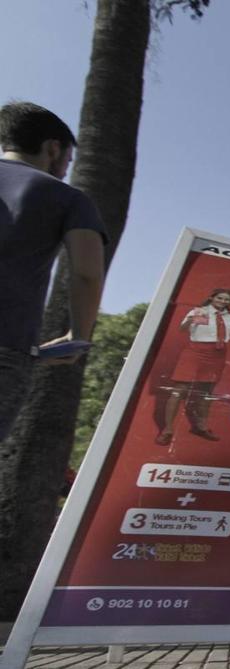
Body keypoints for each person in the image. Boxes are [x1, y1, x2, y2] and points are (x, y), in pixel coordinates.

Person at [0, 101, 106, 440]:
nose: (64, 171)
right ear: (53, 148)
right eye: (67, 163)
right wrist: (78, 335)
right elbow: (87, 273)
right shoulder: (66, 198)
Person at [156, 288, 230, 445]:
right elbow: (183, 329)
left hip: (217, 355)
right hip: (195, 352)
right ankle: (167, 430)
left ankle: (200, 427)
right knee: (179, 390)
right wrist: (192, 318)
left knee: (206, 392)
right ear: (212, 298)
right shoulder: (199, 311)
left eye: (226, 299)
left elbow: (227, 337)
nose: (223, 301)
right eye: (220, 298)